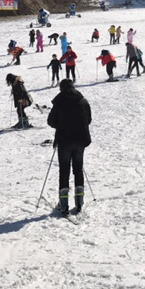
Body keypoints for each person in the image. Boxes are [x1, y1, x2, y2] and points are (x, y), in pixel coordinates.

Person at [48, 78, 92, 216]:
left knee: (64, 171)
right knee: (78, 170)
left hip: (64, 140)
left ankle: (64, 204)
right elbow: (88, 119)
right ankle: (79, 202)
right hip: (80, 139)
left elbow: (51, 121)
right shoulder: (82, 101)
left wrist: (62, 125)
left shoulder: (59, 102)